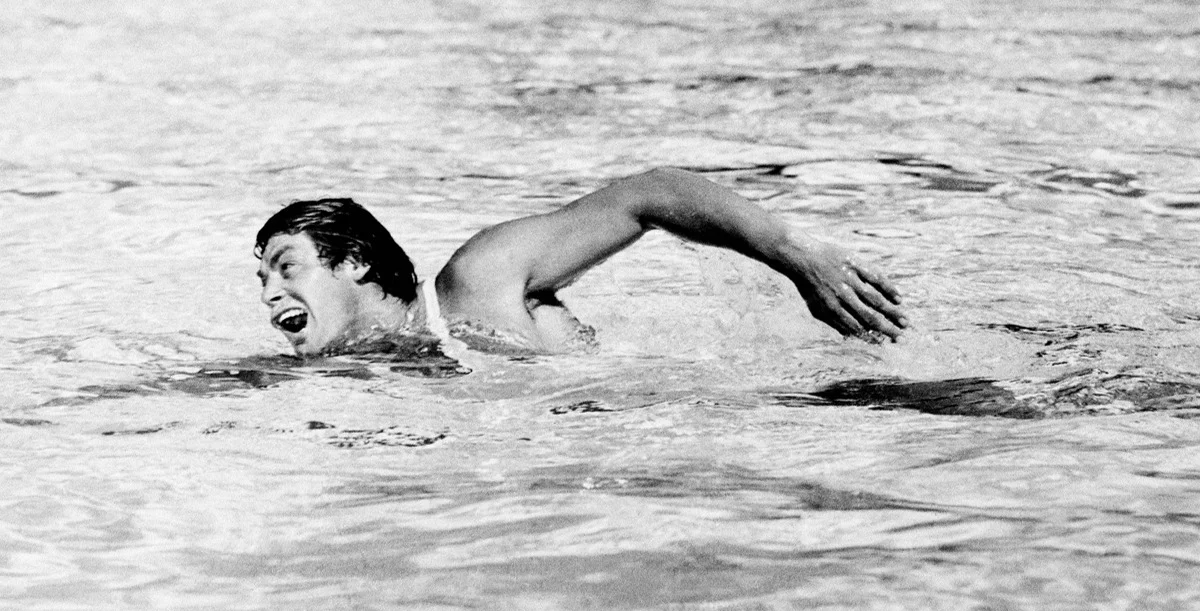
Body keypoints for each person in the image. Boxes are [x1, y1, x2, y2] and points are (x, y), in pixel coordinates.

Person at [255, 167, 908, 357]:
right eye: (262, 280)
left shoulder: (476, 282)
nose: (268, 294)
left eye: (287, 267)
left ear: (356, 263)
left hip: (791, 409)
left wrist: (797, 258)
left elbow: (650, 194)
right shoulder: (361, 369)